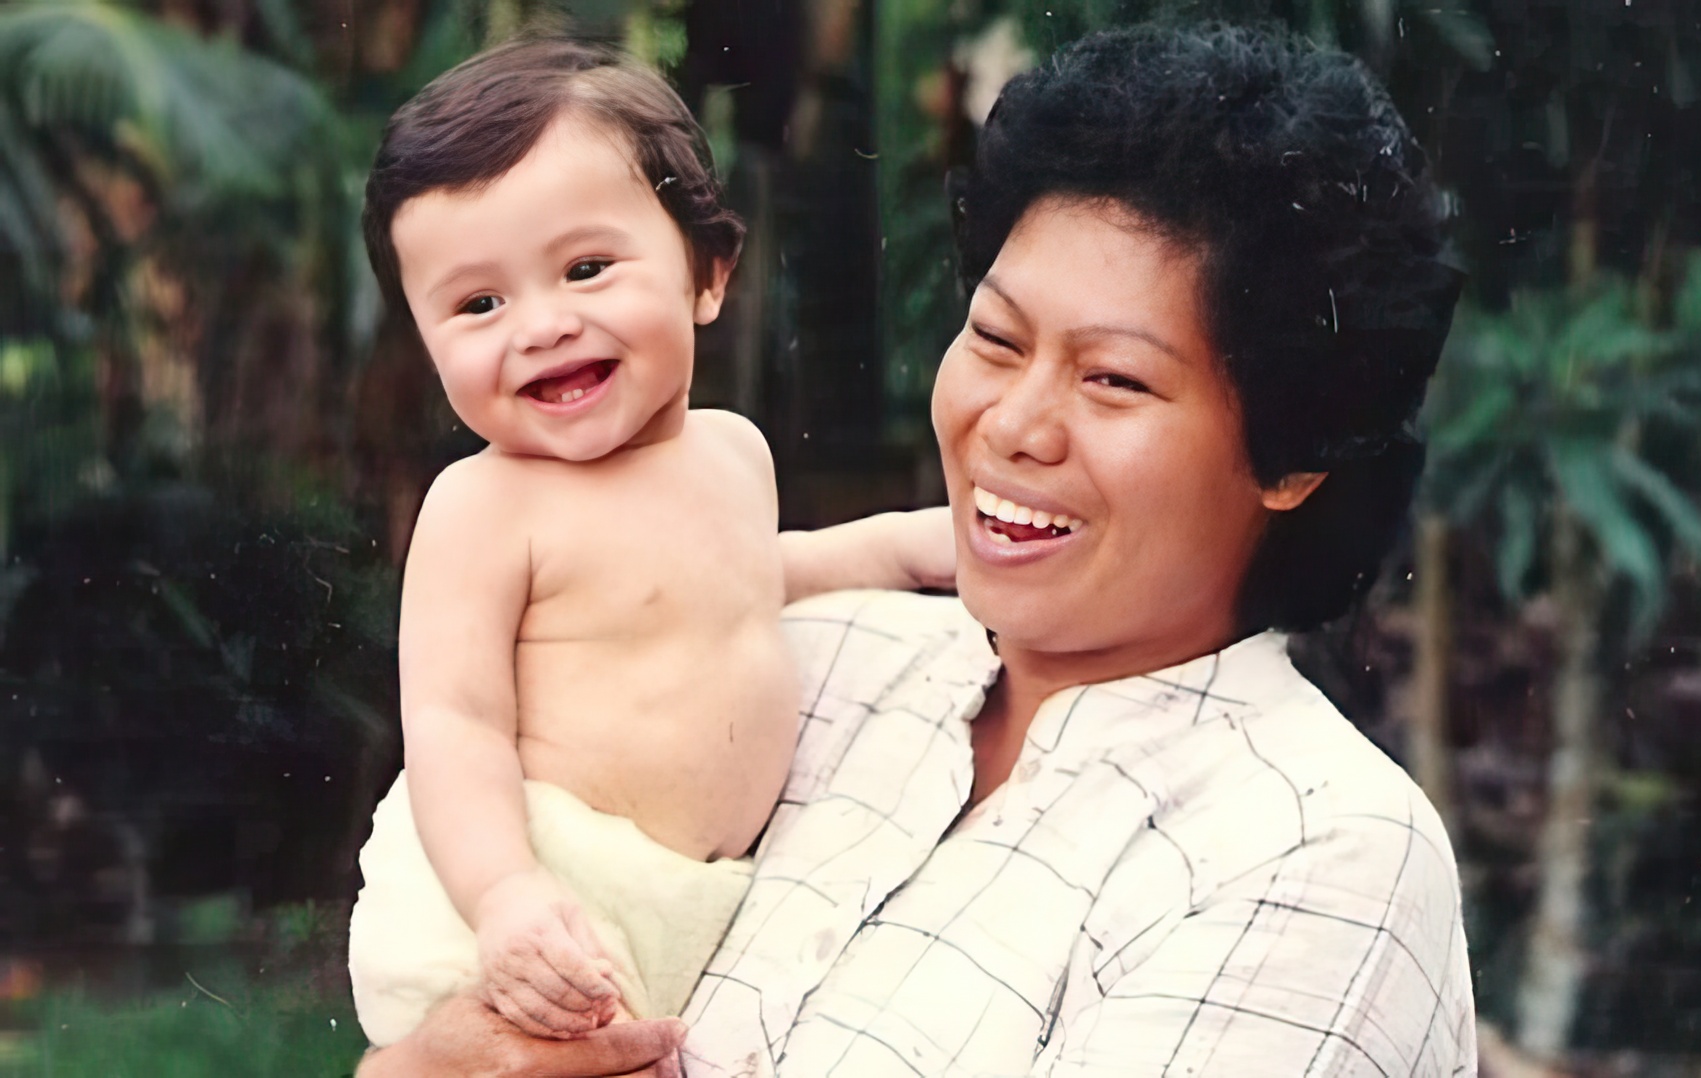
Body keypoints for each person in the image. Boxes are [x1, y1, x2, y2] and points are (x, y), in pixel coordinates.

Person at [360, 20, 1475, 1077]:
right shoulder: (832, 661)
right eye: (994, 338)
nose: (1013, 424)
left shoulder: (1312, 851)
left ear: (1292, 453)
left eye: (1114, 379)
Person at [347, 38, 953, 1048]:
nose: (540, 325)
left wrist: (900, 548)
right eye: (477, 303)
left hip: (678, 908)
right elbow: (454, 723)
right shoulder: (486, 505)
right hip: (535, 897)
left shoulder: (733, 452)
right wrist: (506, 895)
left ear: (707, 274)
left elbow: (748, 584)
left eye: (586, 268)